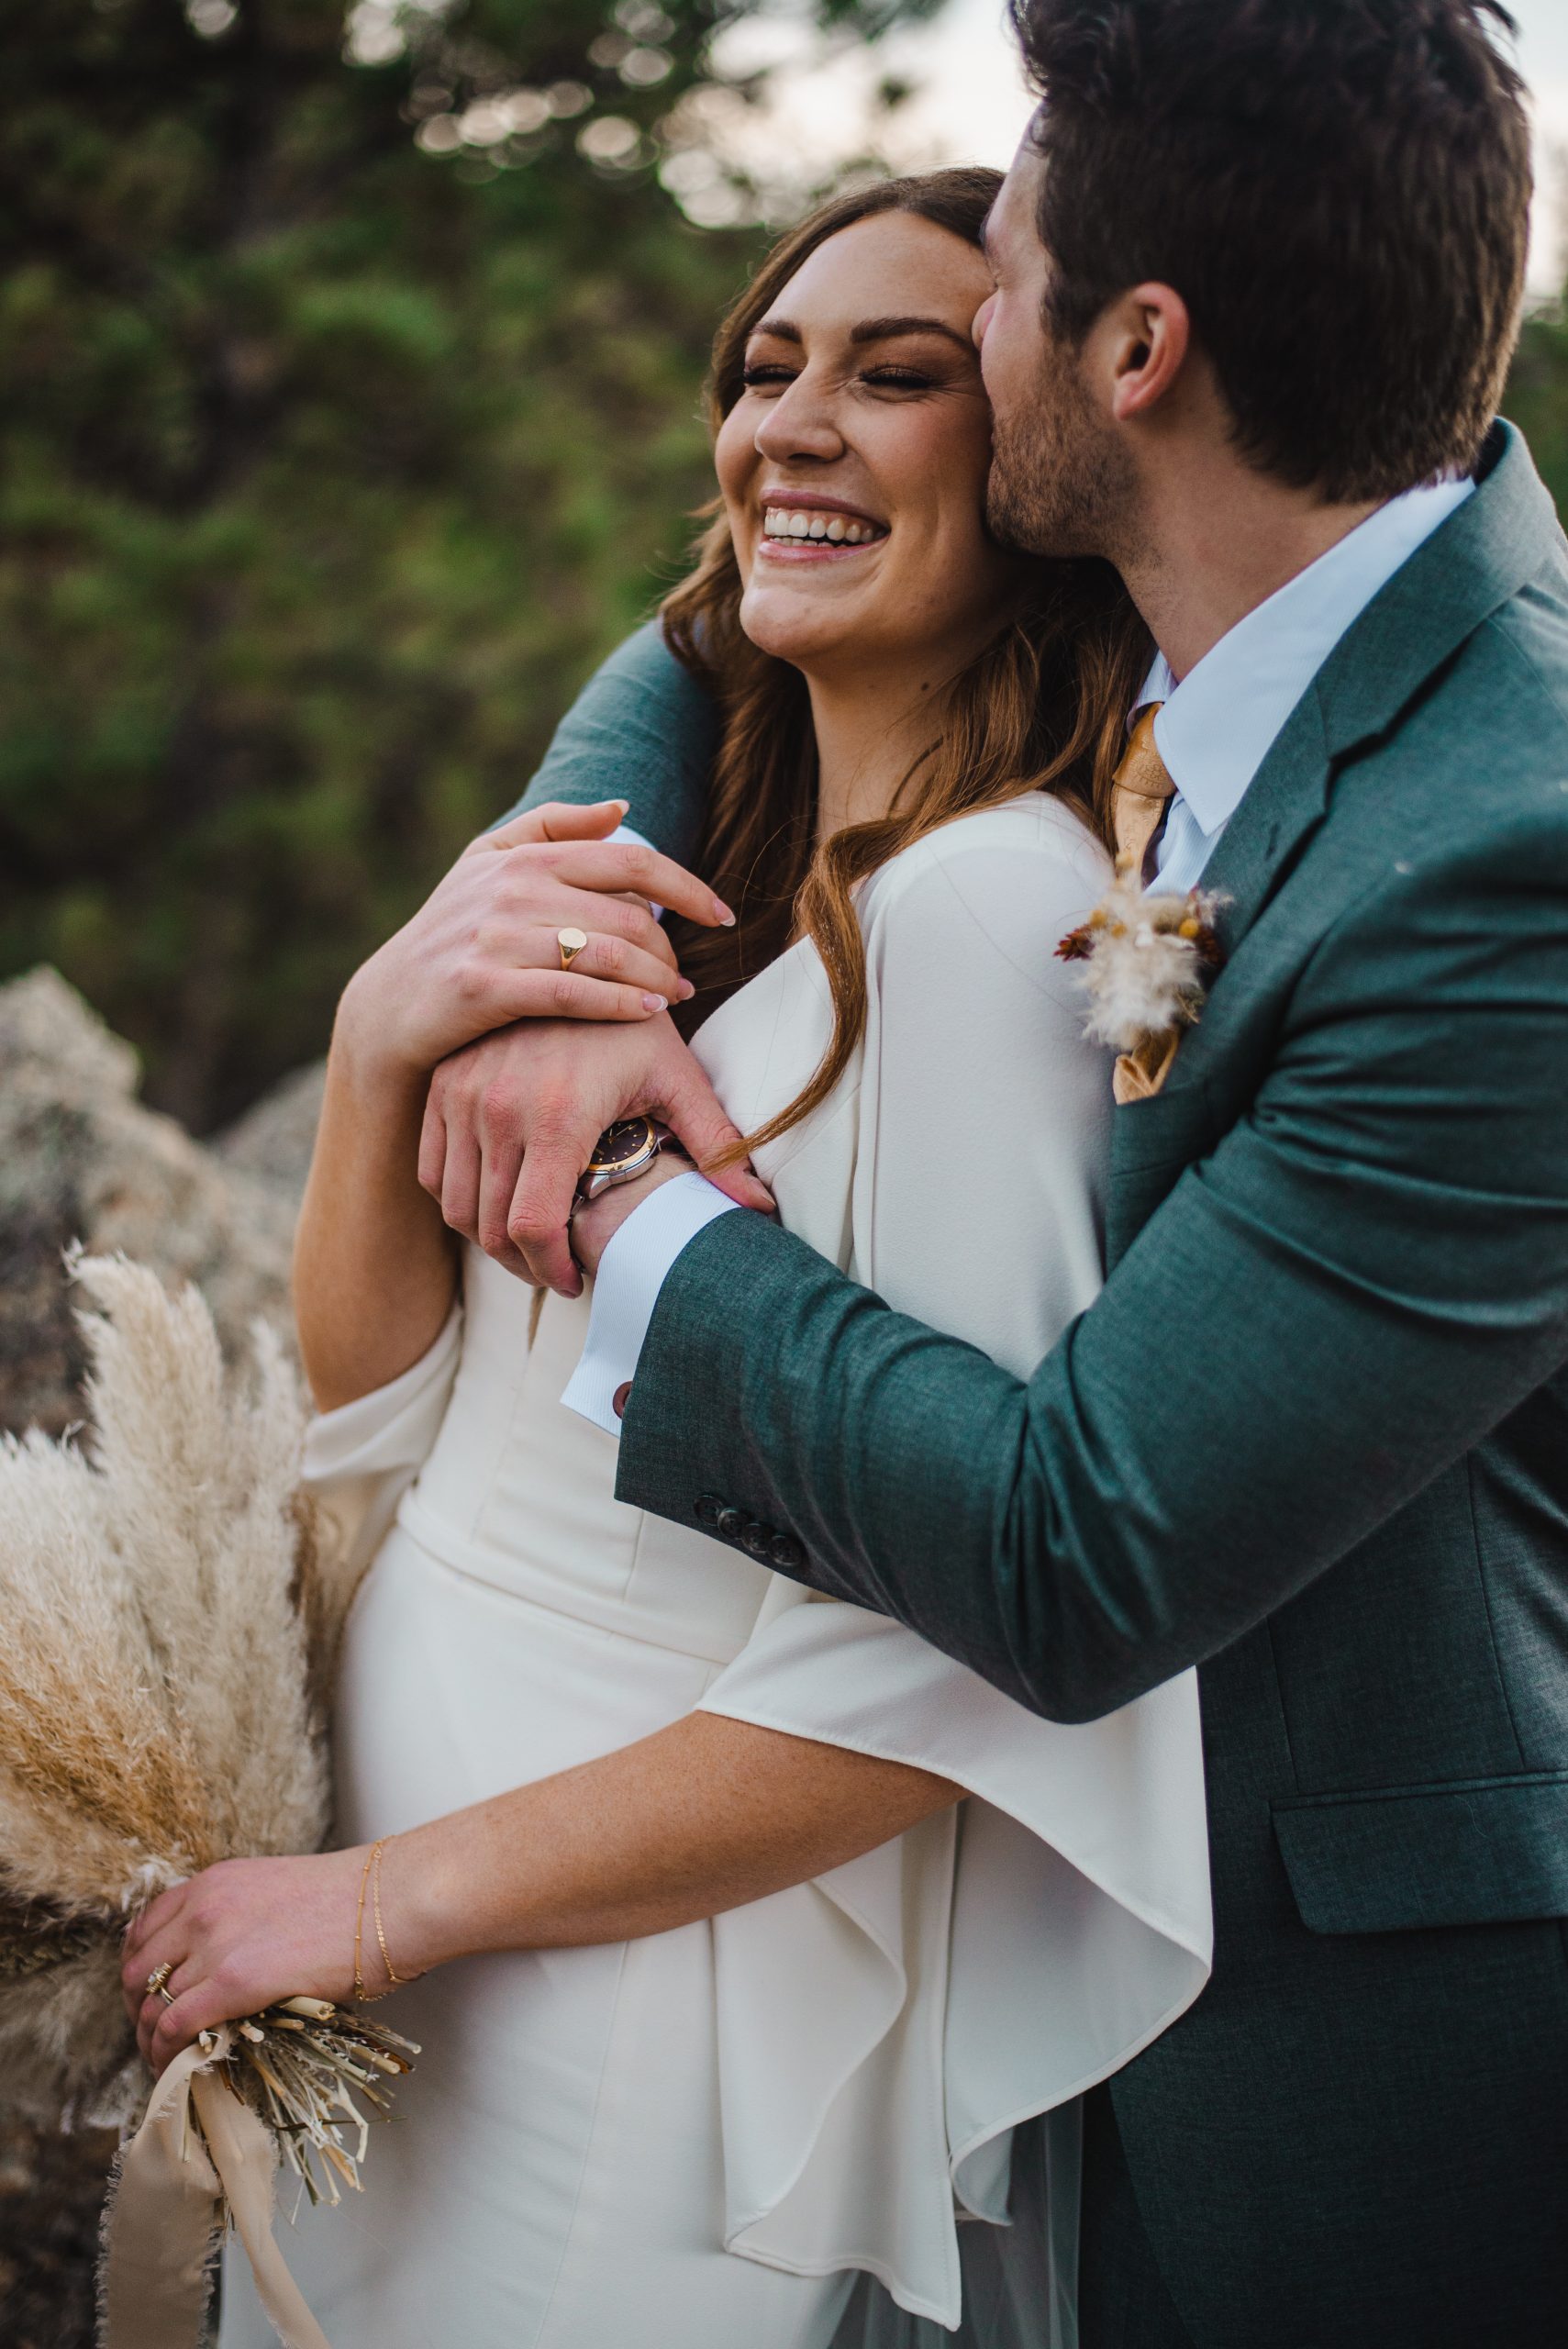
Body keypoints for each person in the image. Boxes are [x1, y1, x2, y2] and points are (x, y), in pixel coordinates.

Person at [395, 3, 1568, 2343]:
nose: (970, 307)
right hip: (964, 1952)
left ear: (1136, 349)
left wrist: (637, 1197)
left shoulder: (1512, 856)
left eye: (1000, 286)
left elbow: (1081, 1539)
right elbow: (740, 606)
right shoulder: (1205, 630)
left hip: (1335, 2027)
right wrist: (572, 922)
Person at [124, 173, 1215, 2349]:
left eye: (898, 377)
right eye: (765, 367)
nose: (792, 423)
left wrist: (389, 1896)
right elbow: (399, 1410)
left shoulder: (988, 923)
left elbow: (961, 1659)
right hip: (386, 1915)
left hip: (617, 1998)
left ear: (1040, 455)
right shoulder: (686, 890)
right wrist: (373, 1043)